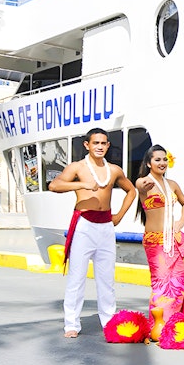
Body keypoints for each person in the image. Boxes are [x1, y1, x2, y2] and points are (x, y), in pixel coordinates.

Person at [49, 128, 136, 338]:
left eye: (103, 143)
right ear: (87, 145)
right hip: (84, 225)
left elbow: (131, 190)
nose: (99, 147)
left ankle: (109, 321)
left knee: (106, 278)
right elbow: (54, 185)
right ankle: (71, 324)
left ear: (107, 146)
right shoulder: (77, 167)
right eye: (95, 143)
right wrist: (82, 184)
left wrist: (119, 216)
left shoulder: (114, 170)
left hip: (106, 225)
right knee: (76, 277)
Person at [134, 144, 184, 325]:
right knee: (160, 283)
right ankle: (157, 324)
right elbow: (139, 186)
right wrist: (144, 185)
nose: (162, 163)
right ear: (149, 163)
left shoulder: (173, 185)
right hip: (155, 241)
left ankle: (172, 323)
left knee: (177, 283)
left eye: (164, 159)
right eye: (157, 160)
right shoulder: (144, 182)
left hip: (173, 239)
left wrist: (181, 222)